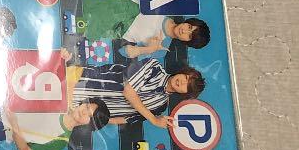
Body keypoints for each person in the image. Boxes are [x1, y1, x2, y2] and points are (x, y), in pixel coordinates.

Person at [71, 58, 205, 127]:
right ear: (182, 72)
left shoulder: (161, 106)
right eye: (185, 77)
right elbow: (128, 91)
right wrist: (154, 120)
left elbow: (127, 118)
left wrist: (97, 121)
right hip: (81, 83)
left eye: (187, 86)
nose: (182, 82)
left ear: (184, 93)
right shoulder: (154, 67)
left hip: (79, 110)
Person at [76, 0, 210, 57]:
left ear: (187, 42)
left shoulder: (161, 48)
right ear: (187, 22)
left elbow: (124, 52)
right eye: (189, 27)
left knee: (74, 28)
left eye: (189, 35)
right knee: (74, 0)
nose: (184, 31)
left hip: (111, 29)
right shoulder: (168, 8)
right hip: (113, 6)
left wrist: (148, 50)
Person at [3, 98, 111, 150]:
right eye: (87, 106)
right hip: (2, 106)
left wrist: (13, 123)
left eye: (89, 115)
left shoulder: (61, 142)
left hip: (1, 133)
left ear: (90, 124)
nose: (83, 112)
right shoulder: (59, 101)